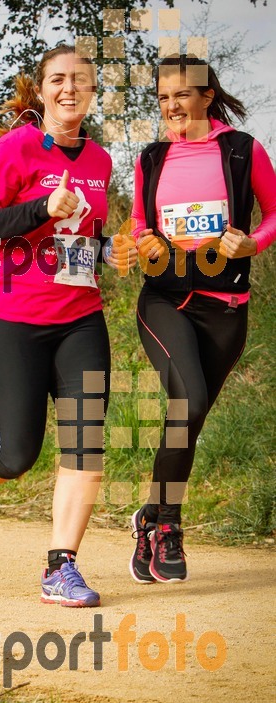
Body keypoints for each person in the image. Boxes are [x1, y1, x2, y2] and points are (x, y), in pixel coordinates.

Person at [0, 44, 135, 607]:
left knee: (85, 445)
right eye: (58, 79)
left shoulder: (99, 161)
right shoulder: (12, 150)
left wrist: (109, 253)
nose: (69, 88)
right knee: (19, 454)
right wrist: (40, 210)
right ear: (43, 89)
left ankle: (60, 567)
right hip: (11, 319)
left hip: (80, 320)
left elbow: (78, 243)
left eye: (81, 79)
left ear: (94, 90)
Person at [128, 55, 276, 584]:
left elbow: (274, 211)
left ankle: (149, 516)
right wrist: (142, 240)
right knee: (186, 401)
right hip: (165, 299)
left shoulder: (242, 150)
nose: (171, 106)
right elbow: (140, 224)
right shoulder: (151, 157)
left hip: (226, 308)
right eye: (163, 98)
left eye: (181, 95)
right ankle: (168, 526)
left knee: (187, 420)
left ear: (207, 96)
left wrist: (251, 242)